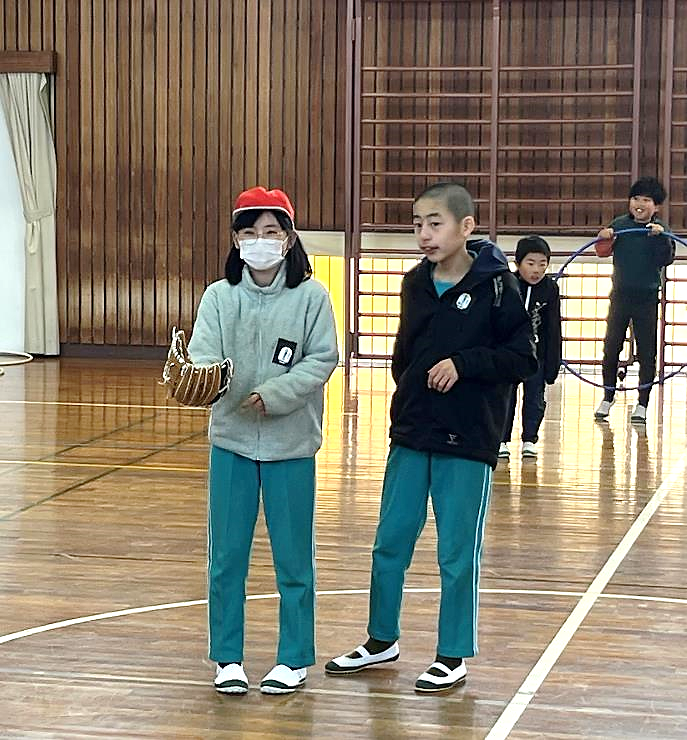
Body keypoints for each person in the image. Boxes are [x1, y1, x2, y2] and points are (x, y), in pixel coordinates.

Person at [325, 182, 537, 692]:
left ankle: (452, 654)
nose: (424, 233)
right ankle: (381, 639)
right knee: (390, 541)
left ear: (466, 227)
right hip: (411, 433)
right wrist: (410, 396)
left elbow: (523, 358)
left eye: (435, 223)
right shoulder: (415, 283)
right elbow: (405, 355)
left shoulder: (499, 288)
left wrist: (464, 365)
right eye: (417, 223)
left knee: (456, 552)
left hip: (468, 439)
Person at [187, 186, 338, 695]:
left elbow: (322, 358)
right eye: (249, 232)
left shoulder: (313, 298)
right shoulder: (218, 296)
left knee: (293, 559)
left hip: (291, 447)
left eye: (271, 231)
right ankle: (227, 658)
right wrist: (200, 380)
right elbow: (204, 353)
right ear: (236, 240)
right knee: (226, 557)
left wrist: (275, 394)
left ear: (289, 239)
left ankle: (293, 658)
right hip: (230, 444)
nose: (260, 241)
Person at [593, 177, 675, 424]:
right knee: (611, 348)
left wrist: (660, 237)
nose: (639, 204)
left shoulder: (660, 229)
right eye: (636, 199)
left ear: (656, 206)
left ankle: (642, 403)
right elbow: (601, 251)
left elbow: (666, 259)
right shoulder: (619, 225)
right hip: (620, 295)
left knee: (647, 352)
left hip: (647, 299)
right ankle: (608, 396)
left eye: (646, 200)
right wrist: (604, 236)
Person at [499, 236, 562, 460]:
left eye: (542, 264)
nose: (536, 270)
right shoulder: (508, 284)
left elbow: (554, 327)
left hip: (537, 356)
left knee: (535, 398)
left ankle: (529, 439)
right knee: (506, 397)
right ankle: (502, 440)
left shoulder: (550, 288)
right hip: (509, 354)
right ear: (518, 263)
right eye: (531, 263)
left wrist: (553, 362)